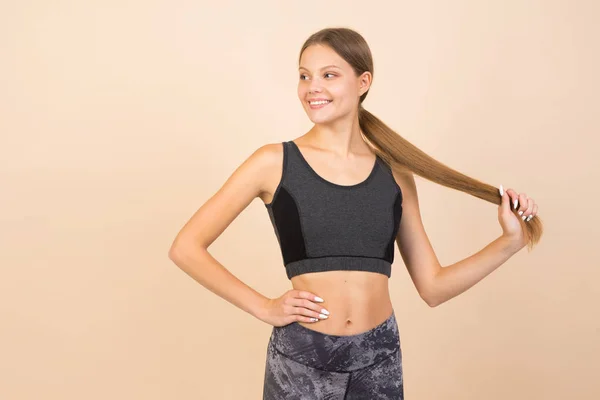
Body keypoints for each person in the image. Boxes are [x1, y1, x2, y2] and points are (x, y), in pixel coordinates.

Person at [168, 27, 543, 400]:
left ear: (363, 82)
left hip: (379, 358)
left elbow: (433, 287)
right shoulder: (274, 162)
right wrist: (263, 307)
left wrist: (510, 242)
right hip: (302, 358)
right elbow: (186, 247)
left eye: (328, 75)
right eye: (304, 76)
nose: (312, 87)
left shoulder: (395, 174)